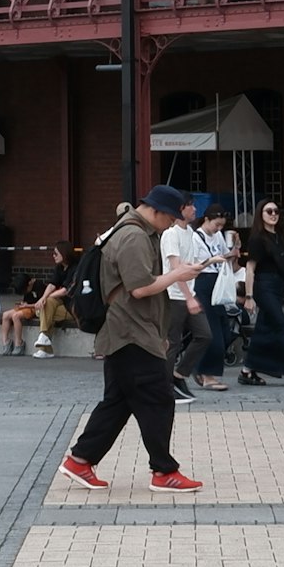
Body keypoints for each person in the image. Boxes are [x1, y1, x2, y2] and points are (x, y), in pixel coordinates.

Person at [61, 187, 209, 492]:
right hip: (131, 332)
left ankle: (81, 460)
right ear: (156, 211)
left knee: (119, 400)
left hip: (127, 331)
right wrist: (179, 274)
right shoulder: (134, 236)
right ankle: (164, 471)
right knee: (158, 397)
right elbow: (140, 288)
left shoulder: (134, 231)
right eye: (170, 218)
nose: (172, 224)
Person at [238, 199, 284, 384]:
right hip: (263, 286)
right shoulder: (258, 238)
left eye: (276, 211)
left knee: (264, 330)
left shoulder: (277, 236)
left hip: (276, 286)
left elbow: (283, 265)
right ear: (261, 214)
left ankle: (247, 370)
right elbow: (250, 268)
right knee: (283, 326)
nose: (273, 214)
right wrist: (249, 297)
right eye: (269, 211)